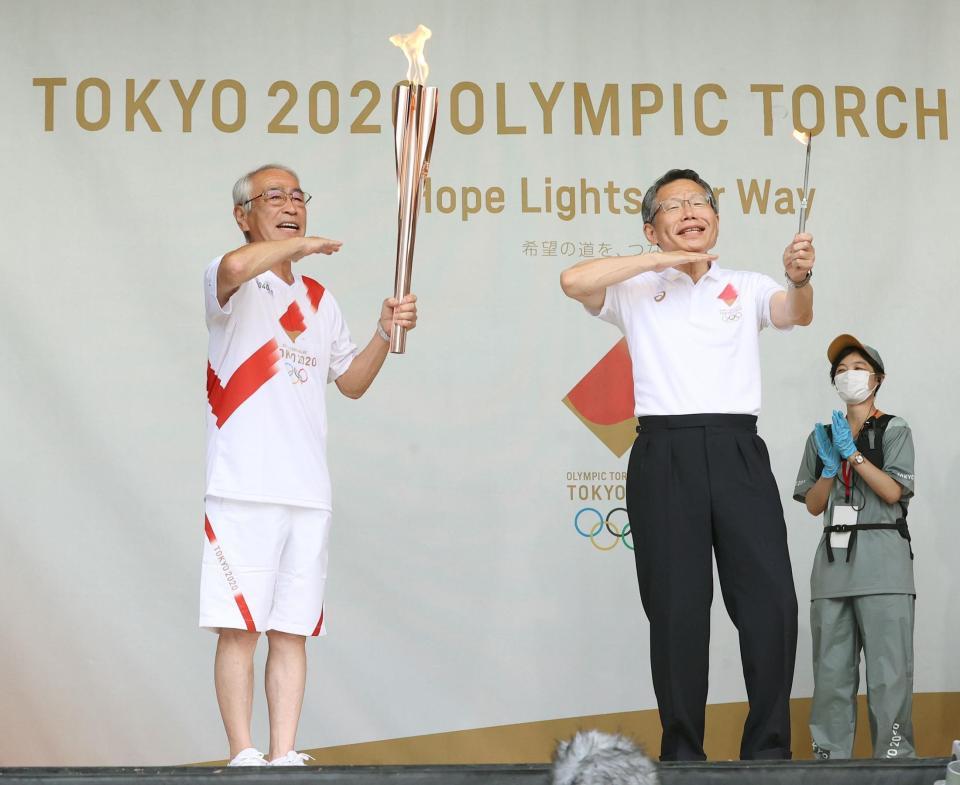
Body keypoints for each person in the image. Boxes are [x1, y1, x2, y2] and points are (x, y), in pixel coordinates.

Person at [560, 168, 815, 761]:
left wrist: (800, 278)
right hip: (663, 451)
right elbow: (573, 281)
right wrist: (656, 261)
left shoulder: (746, 286)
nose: (691, 212)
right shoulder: (634, 287)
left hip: (737, 448)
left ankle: (769, 748)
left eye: (700, 202)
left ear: (717, 219)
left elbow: (794, 312)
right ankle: (682, 752)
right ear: (653, 227)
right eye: (674, 206)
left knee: (770, 601)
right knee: (675, 607)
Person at [200, 163, 418, 766]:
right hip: (244, 484)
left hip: (307, 490)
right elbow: (235, 267)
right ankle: (243, 752)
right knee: (239, 627)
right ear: (244, 215)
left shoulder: (320, 300)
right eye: (275, 197)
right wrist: (297, 246)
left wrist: (383, 331)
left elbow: (350, 382)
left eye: (298, 196)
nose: (291, 205)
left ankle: (284, 751)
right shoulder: (231, 284)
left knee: (292, 629)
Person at [793, 334, 916, 760]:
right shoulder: (822, 434)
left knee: (889, 677)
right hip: (833, 567)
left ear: (877, 379)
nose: (849, 376)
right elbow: (813, 504)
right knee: (830, 678)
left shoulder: (895, 429)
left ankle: (896, 764)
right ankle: (829, 765)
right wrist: (830, 467)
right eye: (841, 371)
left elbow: (892, 492)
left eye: (858, 368)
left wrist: (855, 456)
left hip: (884, 563)